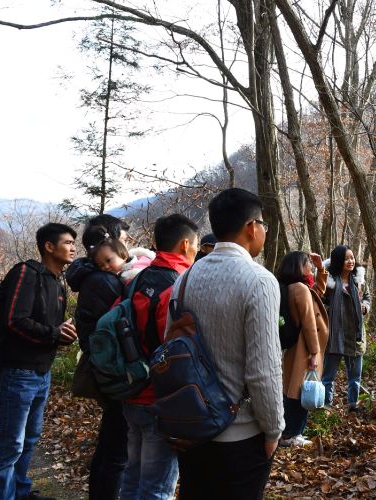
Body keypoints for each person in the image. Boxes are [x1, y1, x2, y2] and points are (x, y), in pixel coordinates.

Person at [171, 188, 283, 499]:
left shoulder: (186, 278)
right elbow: (263, 370)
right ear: (251, 227)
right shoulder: (259, 281)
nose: (263, 232)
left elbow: (171, 348)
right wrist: (274, 429)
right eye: (263, 225)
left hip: (192, 426)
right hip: (240, 433)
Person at [0, 223, 78, 500]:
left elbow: (47, 328)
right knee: (11, 444)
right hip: (18, 372)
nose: (73, 247)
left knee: (29, 439)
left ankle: (20, 491)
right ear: (49, 247)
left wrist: (62, 334)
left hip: (42, 372)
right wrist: (54, 333)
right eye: (67, 242)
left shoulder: (57, 281)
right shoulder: (27, 273)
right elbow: (15, 320)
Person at [121, 214, 198, 500]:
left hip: (131, 390)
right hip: (160, 398)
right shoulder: (176, 285)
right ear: (185, 244)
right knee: (157, 488)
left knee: (132, 476)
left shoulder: (137, 278)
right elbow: (177, 348)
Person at [66, 221, 129, 500]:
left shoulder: (95, 276)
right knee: (116, 449)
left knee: (111, 443)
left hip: (105, 368)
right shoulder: (104, 281)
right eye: (124, 236)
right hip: (114, 370)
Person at [277, 251, 329, 447]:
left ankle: (289, 432)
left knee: (294, 389)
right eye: (307, 263)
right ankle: (292, 434)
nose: (310, 265)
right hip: (304, 347)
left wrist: (321, 268)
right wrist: (315, 353)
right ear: (297, 266)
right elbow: (309, 323)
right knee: (300, 391)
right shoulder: (300, 288)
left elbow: (318, 292)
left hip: (298, 346)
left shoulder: (296, 287)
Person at [321, 245, 371, 412]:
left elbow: (367, 298)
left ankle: (353, 404)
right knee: (328, 375)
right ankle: (326, 405)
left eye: (352, 257)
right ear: (338, 261)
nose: (351, 261)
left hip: (355, 334)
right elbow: (319, 301)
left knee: (355, 376)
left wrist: (364, 306)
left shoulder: (359, 280)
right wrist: (329, 309)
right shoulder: (329, 282)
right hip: (334, 334)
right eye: (346, 258)